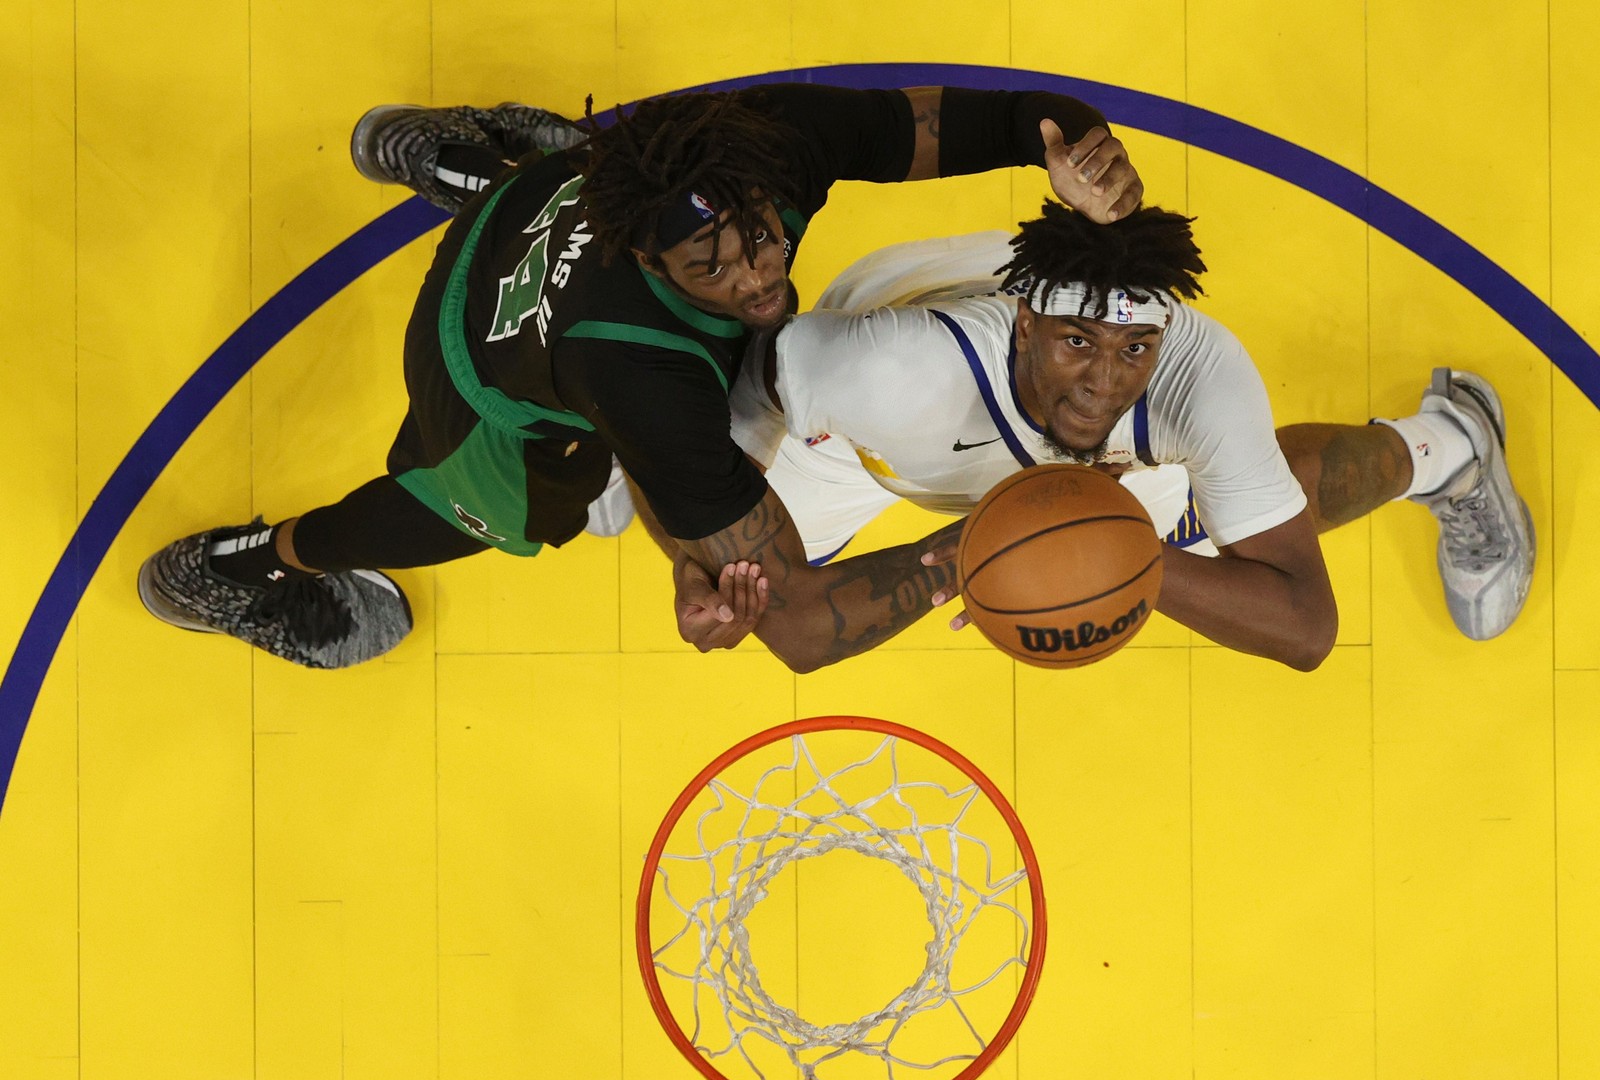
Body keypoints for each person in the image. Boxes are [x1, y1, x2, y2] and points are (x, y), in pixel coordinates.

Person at [137, 86, 1146, 672]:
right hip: (481, 371)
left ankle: (467, 168)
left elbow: (1024, 119)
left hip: (552, 208)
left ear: (764, 185)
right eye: (712, 269)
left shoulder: (765, 143)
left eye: (756, 236)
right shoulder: (630, 370)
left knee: (619, 162)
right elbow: (792, 627)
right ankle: (250, 568)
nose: (756, 274)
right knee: (489, 513)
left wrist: (1080, 169)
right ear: (654, 267)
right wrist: (986, 543)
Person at [681, 204, 1533, 669]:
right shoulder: (879, 375)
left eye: (1134, 349)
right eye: (1078, 343)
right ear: (1025, 328)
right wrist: (692, 546)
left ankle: (1450, 445)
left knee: (1232, 502)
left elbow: (1306, 626)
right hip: (869, 447)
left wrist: (1120, 551)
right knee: (744, 565)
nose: (1103, 381)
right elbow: (795, 629)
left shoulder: (1193, 374)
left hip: (1102, 473)